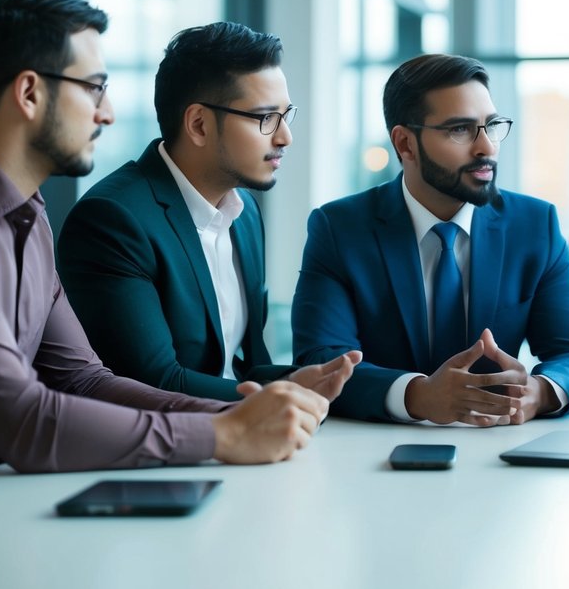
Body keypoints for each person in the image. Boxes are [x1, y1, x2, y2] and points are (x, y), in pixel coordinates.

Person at [0, 0, 333, 484]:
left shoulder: (28, 215)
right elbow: (20, 419)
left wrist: (236, 417)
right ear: (30, 93)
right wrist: (222, 437)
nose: (108, 112)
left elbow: (84, 379)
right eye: (94, 87)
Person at [292, 53, 569, 424]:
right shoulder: (340, 228)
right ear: (405, 144)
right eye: (460, 129)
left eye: (491, 126)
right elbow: (321, 361)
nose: (486, 146)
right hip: (371, 454)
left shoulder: (535, 224)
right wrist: (417, 395)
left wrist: (539, 392)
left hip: (502, 452)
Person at [56, 22, 360, 402]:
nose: (285, 137)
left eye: (286, 115)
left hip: (246, 441)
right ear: (199, 124)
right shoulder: (113, 220)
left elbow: (246, 366)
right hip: (163, 447)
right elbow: (154, 381)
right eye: (266, 118)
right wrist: (277, 398)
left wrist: (349, 385)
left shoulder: (244, 212)